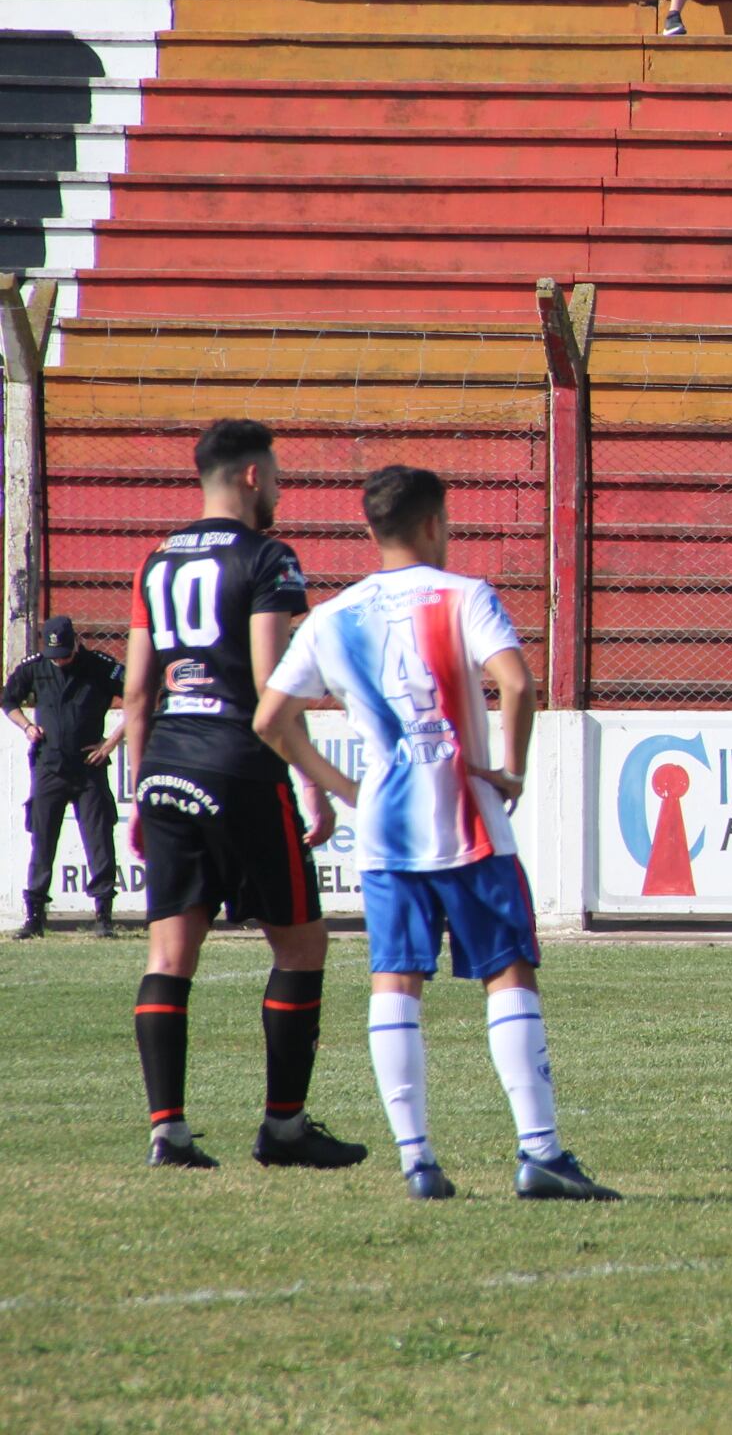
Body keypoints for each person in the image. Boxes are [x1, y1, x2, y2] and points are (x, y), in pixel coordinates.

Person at [251, 466, 615, 1202]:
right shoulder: (464, 595)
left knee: (397, 980)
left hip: (387, 828)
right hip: (468, 817)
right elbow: (516, 682)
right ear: (430, 525)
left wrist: (345, 787)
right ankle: (540, 1152)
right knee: (507, 970)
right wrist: (509, 768)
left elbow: (269, 720)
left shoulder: (330, 617)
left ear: (372, 529)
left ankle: (417, 1161)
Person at [121, 418, 367, 1173]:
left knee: (170, 950)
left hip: (165, 763)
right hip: (239, 768)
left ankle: (169, 1131)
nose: (283, 488)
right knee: (301, 943)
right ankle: (284, 1129)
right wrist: (317, 782)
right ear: (254, 476)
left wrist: (139, 793)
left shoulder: (154, 561)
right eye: (279, 474)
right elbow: (270, 688)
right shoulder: (268, 556)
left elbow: (134, 692)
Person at [7, 615, 126, 939]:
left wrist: (110, 743)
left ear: (76, 643)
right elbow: (8, 699)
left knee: (99, 840)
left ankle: (103, 915)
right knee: (43, 840)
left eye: (64, 656)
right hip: (49, 767)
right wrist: (27, 726)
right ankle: (34, 917)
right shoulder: (37, 666)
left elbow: (139, 698)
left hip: (89, 767)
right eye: (53, 656)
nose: (59, 662)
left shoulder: (101, 666)